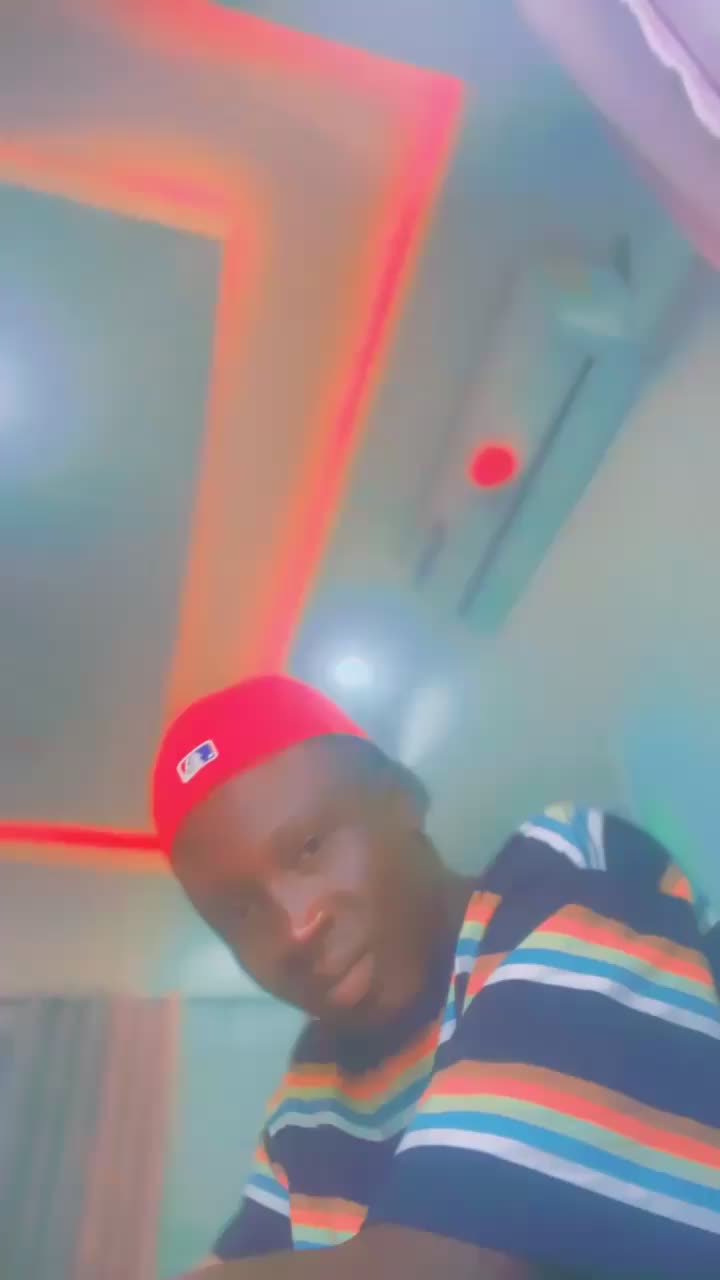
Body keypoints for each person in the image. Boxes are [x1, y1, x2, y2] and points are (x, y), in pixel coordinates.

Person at [152, 675, 720, 1279]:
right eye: (241, 912)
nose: (294, 928)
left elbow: (457, 1265)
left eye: (310, 848)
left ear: (403, 797)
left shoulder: (568, 878)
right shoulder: (311, 1094)